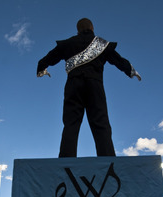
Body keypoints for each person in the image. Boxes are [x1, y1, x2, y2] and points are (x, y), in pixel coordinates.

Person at [37, 18, 141, 158]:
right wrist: (131, 70)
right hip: (95, 86)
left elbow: (48, 58)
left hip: (73, 86)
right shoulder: (101, 44)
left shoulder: (68, 43)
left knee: (71, 124)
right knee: (101, 123)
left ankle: (66, 160)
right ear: (92, 28)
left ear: (78, 30)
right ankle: (107, 159)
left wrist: (41, 69)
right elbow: (117, 59)